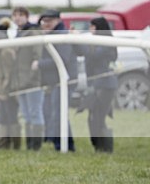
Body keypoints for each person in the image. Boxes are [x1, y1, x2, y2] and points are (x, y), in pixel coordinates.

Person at [37, 9, 76, 151]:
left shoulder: (62, 35)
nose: (46, 24)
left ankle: (64, 146)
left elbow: (63, 59)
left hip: (64, 81)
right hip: (54, 81)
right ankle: (62, 144)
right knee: (55, 113)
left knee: (58, 113)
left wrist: (39, 64)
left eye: (49, 21)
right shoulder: (50, 35)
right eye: (44, 21)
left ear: (57, 21)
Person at [81, 16, 118, 152]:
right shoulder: (96, 42)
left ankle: (105, 148)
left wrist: (78, 40)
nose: (90, 29)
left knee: (98, 117)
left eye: (93, 26)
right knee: (93, 117)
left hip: (105, 85)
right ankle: (99, 146)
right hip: (97, 85)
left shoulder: (106, 42)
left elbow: (92, 55)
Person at [11, 6, 45, 150]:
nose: (17, 18)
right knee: (26, 114)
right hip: (20, 80)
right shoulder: (18, 33)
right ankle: (30, 143)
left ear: (26, 16)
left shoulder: (33, 31)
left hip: (32, 79)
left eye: (20, 15)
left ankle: (36, 145)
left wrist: (33, 73)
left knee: (34, 112)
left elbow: (38, 54)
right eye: (15, 15)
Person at [0, 21, 21, 149]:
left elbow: (8, 74)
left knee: (10, 116)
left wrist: (4, 91)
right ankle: (3, 144)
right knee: (2, 116)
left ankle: (13, 144)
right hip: (0, 90)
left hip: (7, 91)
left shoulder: (6, 52)